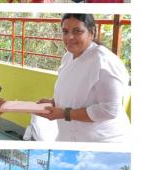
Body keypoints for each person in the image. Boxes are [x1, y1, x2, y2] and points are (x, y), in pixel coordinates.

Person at [37, 14, 130, 142]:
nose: (69, 37)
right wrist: (54, 102)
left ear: (92, 33)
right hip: (69, 136)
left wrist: (64, 113)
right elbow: (76, 92)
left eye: (77, 31)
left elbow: (109, 110)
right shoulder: (68, 57)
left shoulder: (104, 61)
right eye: (65, 31)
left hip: (102, 140)